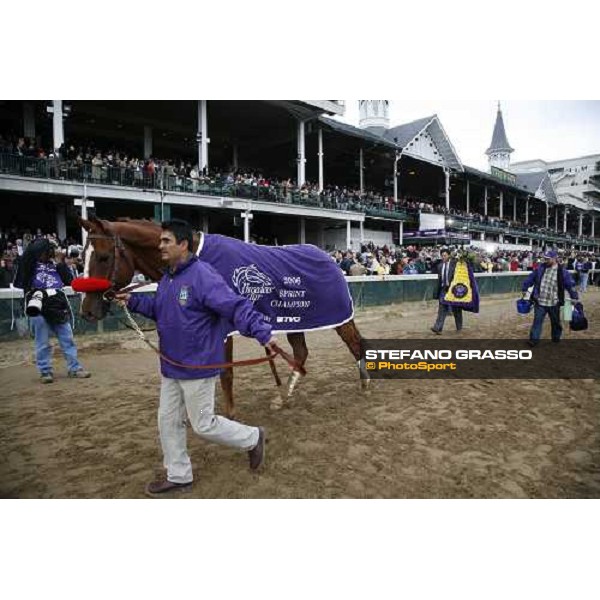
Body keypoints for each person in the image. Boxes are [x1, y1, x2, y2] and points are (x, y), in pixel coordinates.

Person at [114, 219, 277, 497]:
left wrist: (262, 332)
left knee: (204, 425)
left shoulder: (204, 276)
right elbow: (160, 309)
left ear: (184, 245)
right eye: (161, 241)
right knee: (167, 420)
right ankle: (178, 475)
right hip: (171, 366)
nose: (161, 245)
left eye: (167, 241)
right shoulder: (169, 277)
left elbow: (234, 305)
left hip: (199, 366)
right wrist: (133, 301)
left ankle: (253, 437)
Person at [13, 238, 91, 383]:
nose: (45, 254)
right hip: (37, 303)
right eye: (43, 251)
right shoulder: (29, 265)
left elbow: (69, 280)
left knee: (67, 338)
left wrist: (60, 261)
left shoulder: (56, 266)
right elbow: (25, 263)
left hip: (57, 303)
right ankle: (45, 371)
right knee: (42, 341)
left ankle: (75, 368)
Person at [521, 249, 578, 346]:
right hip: (540, 301)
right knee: (537, 322)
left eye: (548, 259)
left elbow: (570, 285)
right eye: (545, 258)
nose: (545, 260)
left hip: (554, 302)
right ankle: (533, 340)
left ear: (555, 258)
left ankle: (556, 338)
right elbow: (530, 278)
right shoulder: (540, 268)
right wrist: (524, 288)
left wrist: (574, 296)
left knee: (555, 322)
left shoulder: (562, 272)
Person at [431, 248, 462, 334]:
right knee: (442, 309)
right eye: (442, 256)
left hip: (453, 289)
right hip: (443, 289)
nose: (443, 257)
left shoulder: (455, 264)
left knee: (456, 309)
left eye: (445, 255)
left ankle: (459, 327)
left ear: (449, 255)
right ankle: (438, 328)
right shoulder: (440, 266)